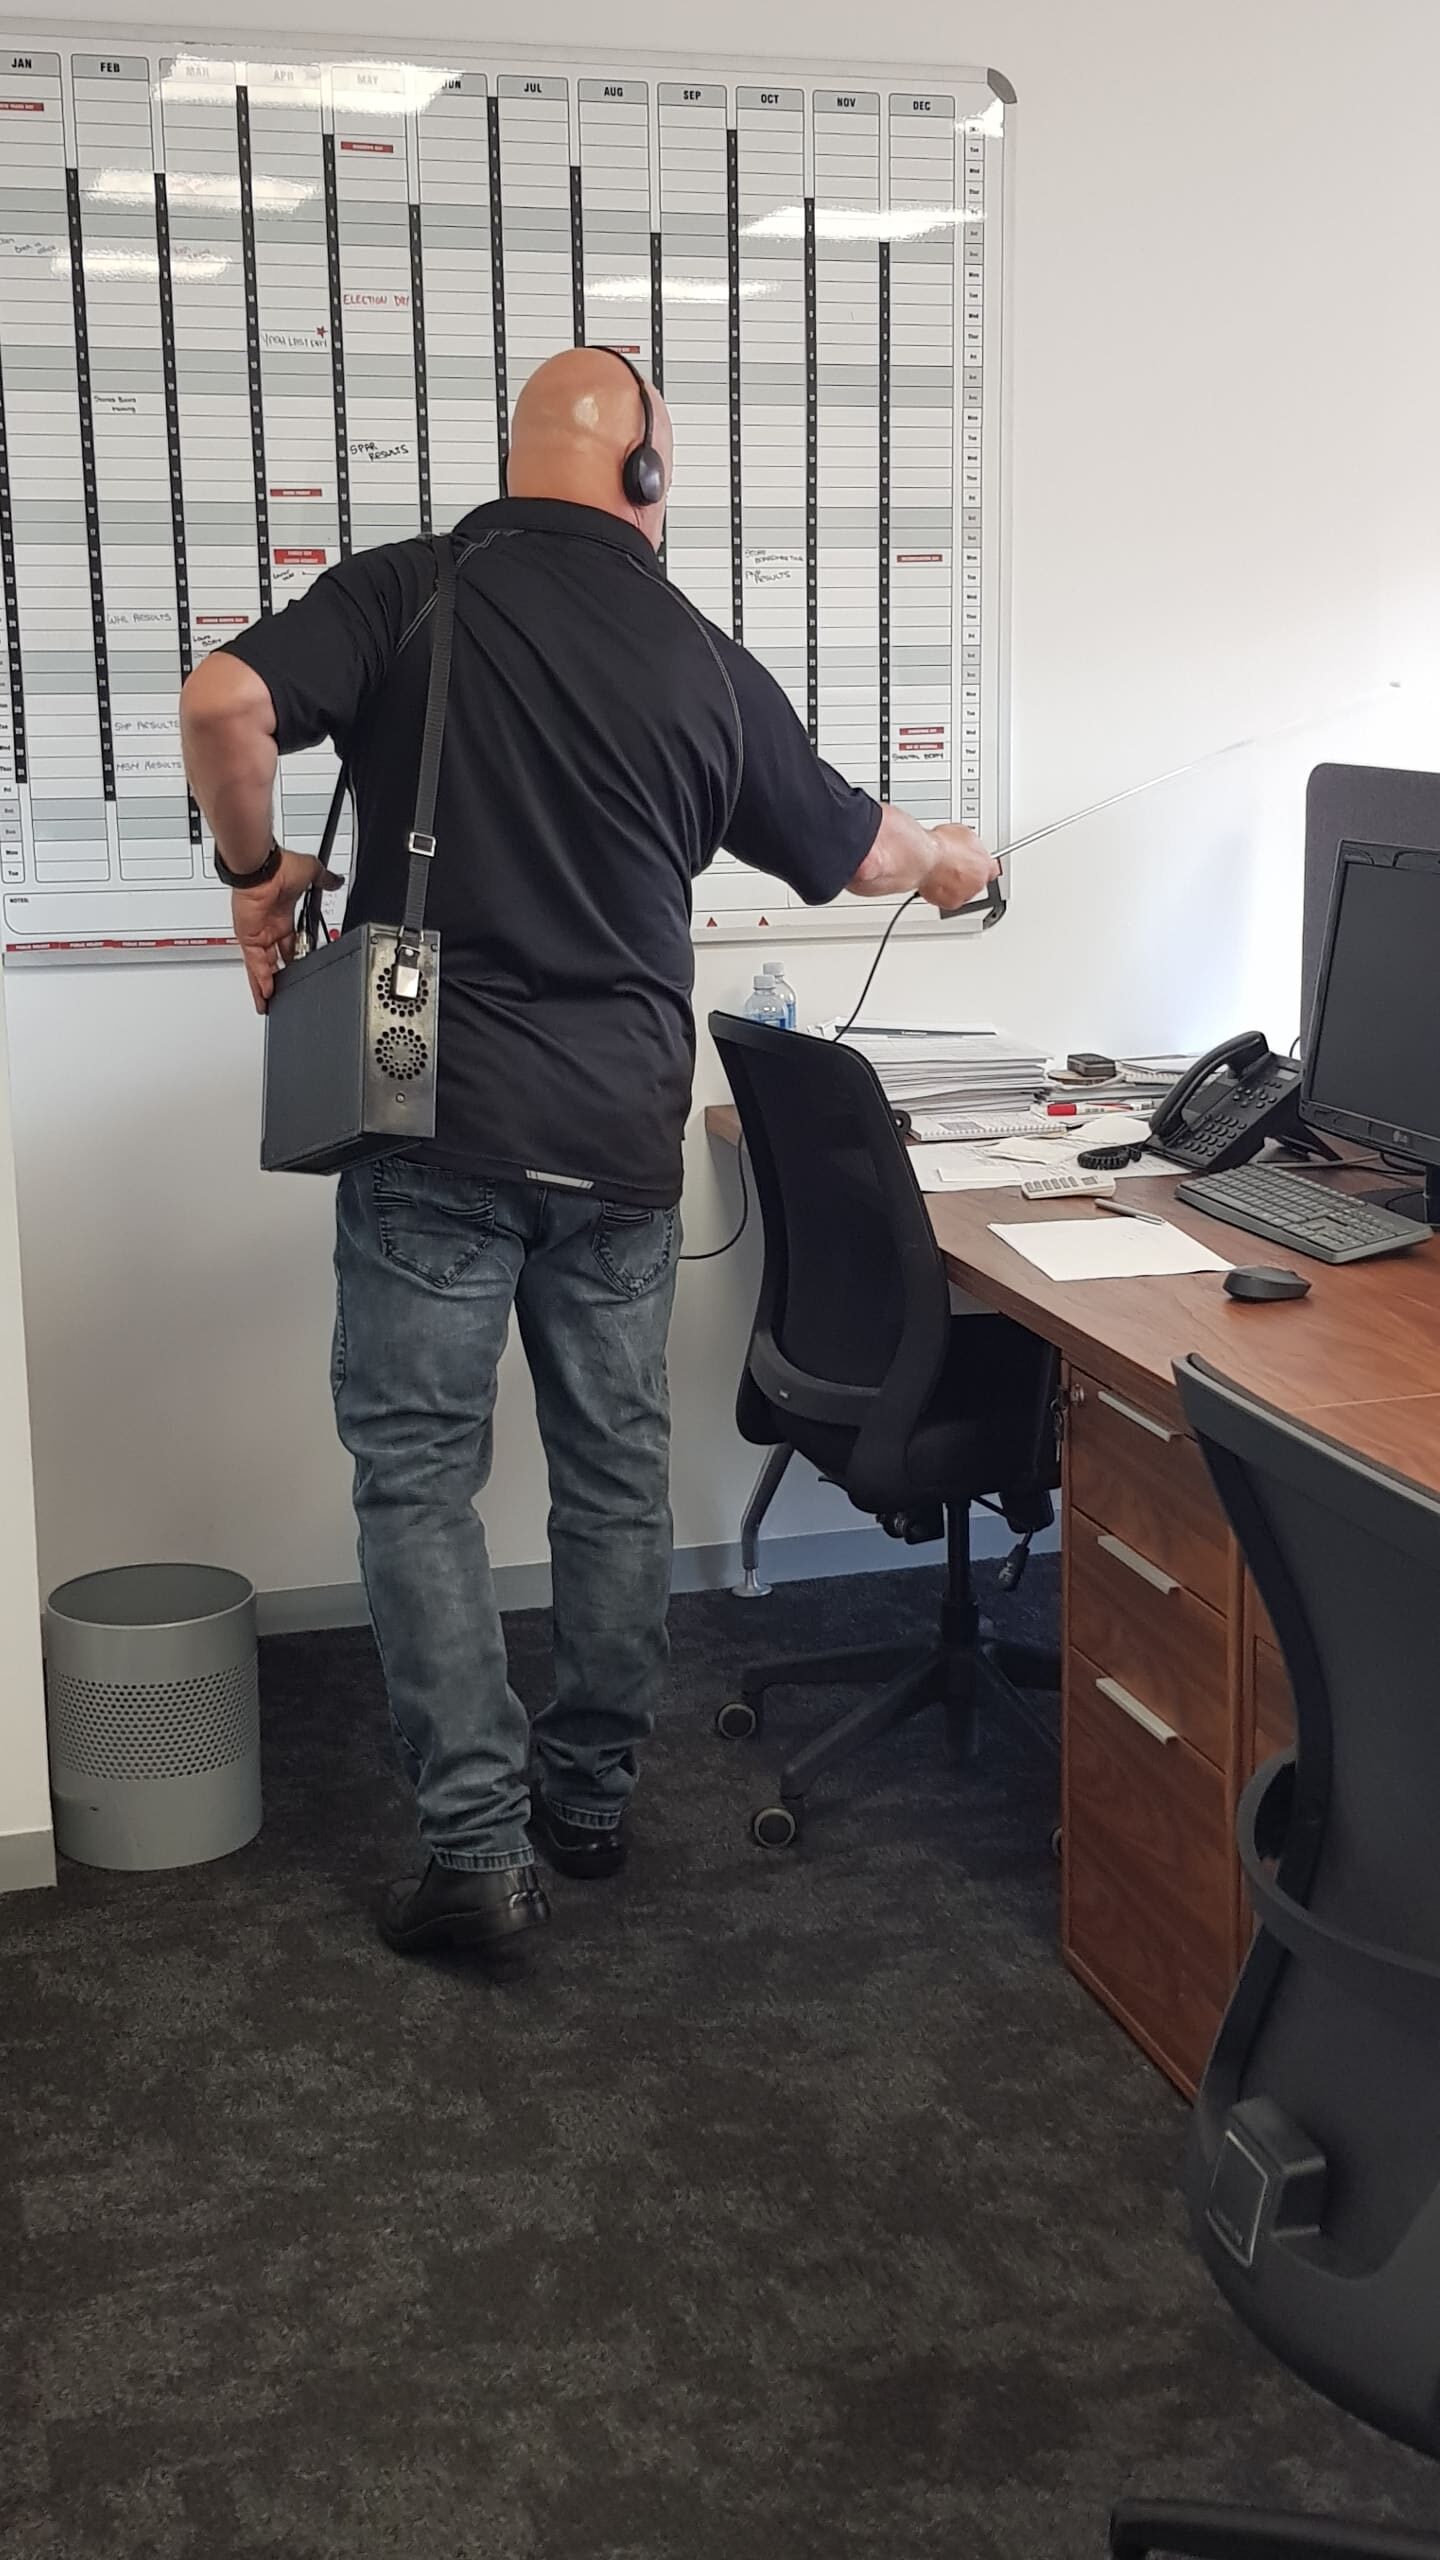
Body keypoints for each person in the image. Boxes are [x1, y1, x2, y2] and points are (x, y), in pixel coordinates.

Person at [179, 345, 998, 1970]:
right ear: (645, 475)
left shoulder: (412, 590)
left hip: (427, 1112)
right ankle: (591, 1805)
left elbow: (223, 702)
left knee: (421, 1479)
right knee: (615, 1473)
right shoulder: (702, 658)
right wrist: (951, 863)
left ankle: (475, 1855)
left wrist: (256, 871)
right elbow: (867, 853)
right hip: (619, 1134)